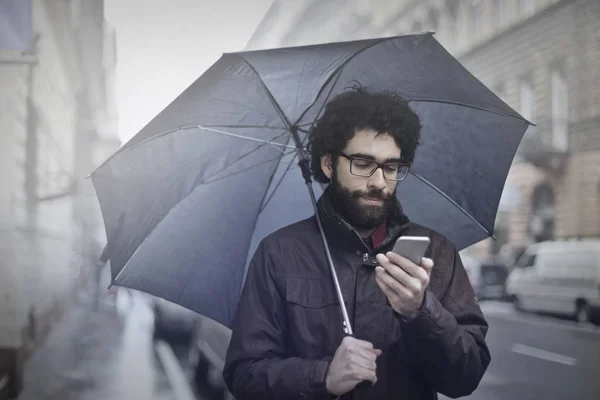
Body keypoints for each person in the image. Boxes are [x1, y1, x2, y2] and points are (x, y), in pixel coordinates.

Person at [223, 86, 490, 400]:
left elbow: (466, 376)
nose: (378, 182)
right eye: (362, 164)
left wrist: (420, 311)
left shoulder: (437, 250)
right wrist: (323, 376)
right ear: (328, 164)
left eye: (391, 167)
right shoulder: (278, 254)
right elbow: (244, 375)